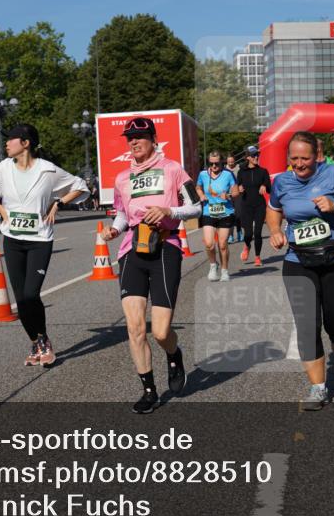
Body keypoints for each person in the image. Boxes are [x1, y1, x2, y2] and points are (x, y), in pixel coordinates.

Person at [102, 117, 201, 413]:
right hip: (132, 250)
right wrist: (115, 230)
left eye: (140, 136)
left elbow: (196, 207)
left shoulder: (173, 169)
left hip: (165, 248)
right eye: (129, 137)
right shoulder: (122, 177)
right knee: (135, 328)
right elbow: (122, 213)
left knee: (160, 331)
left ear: (153, 139)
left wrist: (169, 211)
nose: (134, 141)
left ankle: (174, 353)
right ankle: (149, 391)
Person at [0, 124, 88, 367]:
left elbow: (80, 186)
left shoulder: (48, 170)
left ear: (25, 143)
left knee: (31, 294)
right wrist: (0, 208)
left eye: (11, 139)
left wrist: (58, 203)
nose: (6, 143)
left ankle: (43, 339)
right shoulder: (3, 168)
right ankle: (36, 342)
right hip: (13, 240)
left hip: (39, 240)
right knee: (21, 300)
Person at [266, 131, 334, 411]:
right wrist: (275, 230)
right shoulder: (282, 181)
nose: (299, 164)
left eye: (305, 158)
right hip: (298, 261)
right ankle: (318, 388)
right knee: (307, 325)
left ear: (317, 156)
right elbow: (274, 209)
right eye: (294, 158)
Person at [197, 150, 239, 282]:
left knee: (222, 245)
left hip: (225, 212)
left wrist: (228, 195)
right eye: (211, 163)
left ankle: (225, 270)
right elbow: (198, 187)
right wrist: (201, 195)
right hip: (208, 212)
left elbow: (236, 192)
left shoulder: (228, 174)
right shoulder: (203, 174)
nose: (214, 166)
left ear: (222, 162)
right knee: (209, 244)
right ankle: (213, 265)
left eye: (217, 163)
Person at [236, 144, 271, 267]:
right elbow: (237, 186)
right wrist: (239, 188)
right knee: (248, 234)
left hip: (259, 205)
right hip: (246, 205)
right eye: (253, 155)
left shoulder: (263, 171)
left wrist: (264, 186)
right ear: (248, 157)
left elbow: (269, 187)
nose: (256, 157)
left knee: (257, 232)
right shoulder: (241, 172)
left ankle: (257, 257)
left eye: (257, 155)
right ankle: (247, 245)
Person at [225, 153, 243, 244]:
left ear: (235, 161)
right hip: (228, 195)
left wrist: (242, 186)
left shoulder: (239, 168)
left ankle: (239, 232)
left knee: (238, 214)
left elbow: (244, 179)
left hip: (237, 194)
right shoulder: (224, 170)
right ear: (226, 161)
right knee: (229, 215)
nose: (231, 163)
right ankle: (230, 235)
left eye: (232, 161)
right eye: (229, 162)